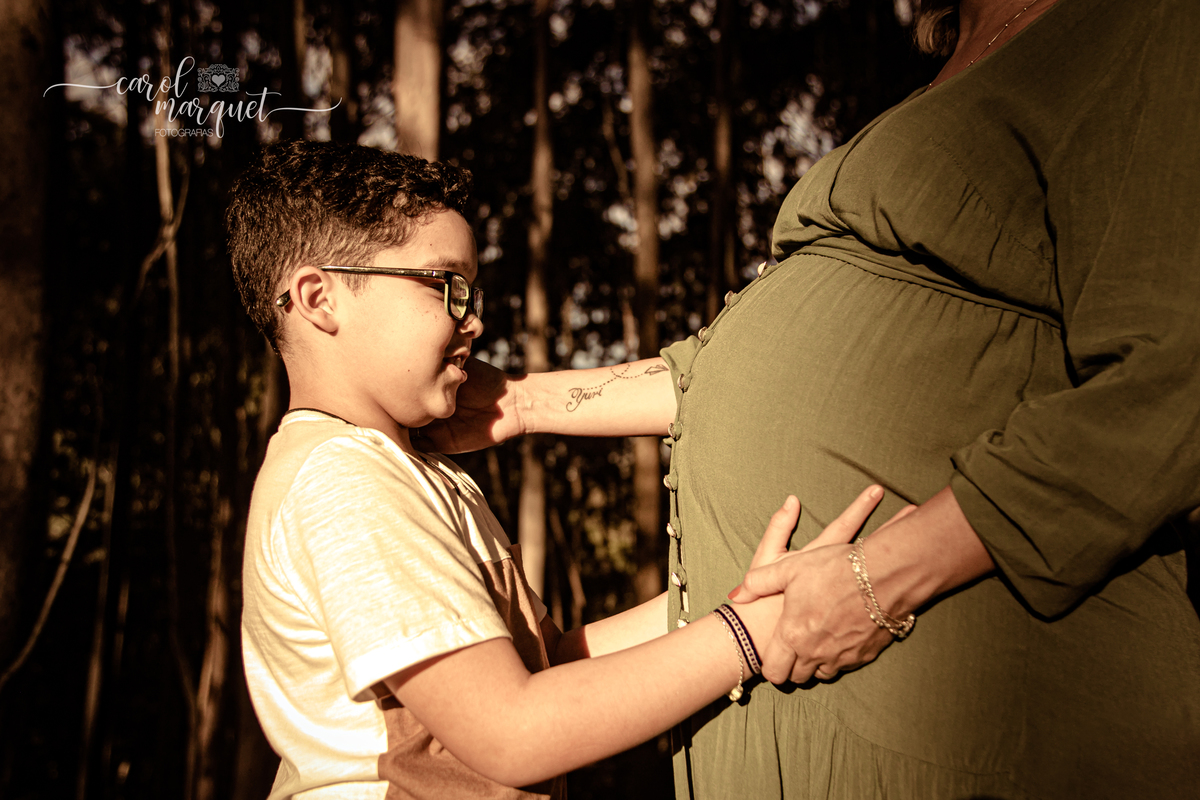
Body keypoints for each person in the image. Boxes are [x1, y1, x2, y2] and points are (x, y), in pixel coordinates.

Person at [423, 0, 1200, 797]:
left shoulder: (1146, 25)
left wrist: (881, 582)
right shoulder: (942, 71)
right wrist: (521, 404)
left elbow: (1170, 381)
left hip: (964, 686)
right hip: (818, 684)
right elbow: (720, 374)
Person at [225, 140, 894, 800]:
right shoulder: (345, 482)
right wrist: (757, 635)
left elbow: (546, 667)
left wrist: (725, 604)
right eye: (447, 287)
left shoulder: (413, 473)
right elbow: (514, 729)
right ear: (318, 299)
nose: (475, 321)